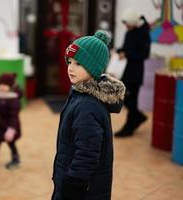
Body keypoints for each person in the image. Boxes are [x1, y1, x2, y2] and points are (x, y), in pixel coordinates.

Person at [52, 31, 126, 200]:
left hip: (81, 190)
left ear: (93, 68)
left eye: (78, 63)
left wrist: (73, 184)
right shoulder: (80, 94)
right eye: (69, 62)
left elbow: (87, 151)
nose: (71, 68)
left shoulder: (87, 106)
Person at [114, 9, 151, 137]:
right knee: (124, 98)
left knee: (131, 100)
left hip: (135, 74)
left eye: (127, 24)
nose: (126, 27)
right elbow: (126, 48)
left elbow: (144, 54)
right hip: (126, 72)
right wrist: (118, 51)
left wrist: (127, 54)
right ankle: (139, 117)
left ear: (133, 22)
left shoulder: (144, 33)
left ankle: (129, 128)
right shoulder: (129, 32)